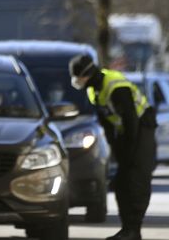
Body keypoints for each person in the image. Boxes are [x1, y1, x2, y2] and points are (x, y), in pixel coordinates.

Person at [69, 55, 157, 240]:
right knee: (122, 182)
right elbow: (107, 122)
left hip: (142, 129)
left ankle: (133, 229)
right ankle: (128, 229)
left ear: (86, 74)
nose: (77, 81)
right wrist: (116, 149)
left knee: (136, 180)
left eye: (78, 77)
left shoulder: (116, 86)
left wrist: (128, 154)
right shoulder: (93, 90)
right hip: (126, 133)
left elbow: (131, 121)